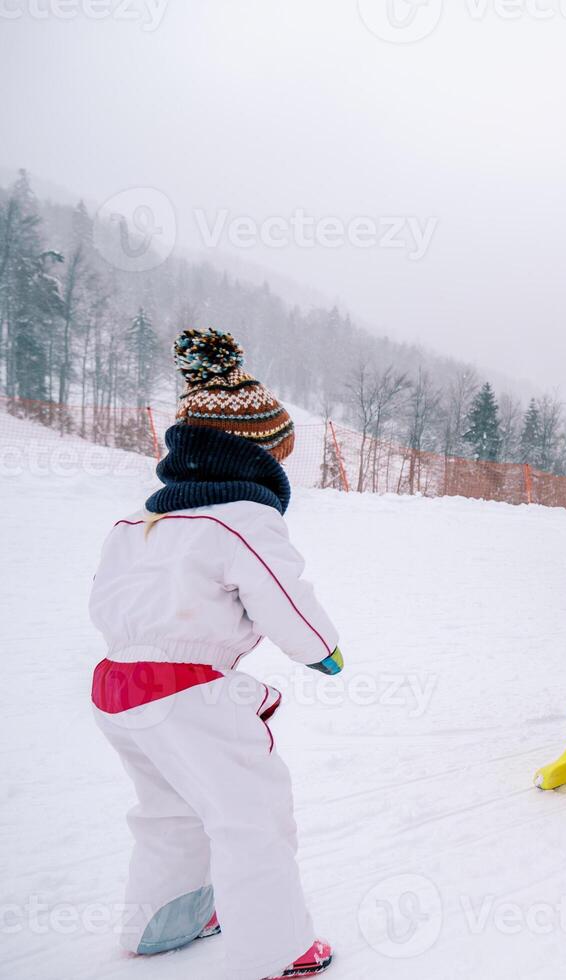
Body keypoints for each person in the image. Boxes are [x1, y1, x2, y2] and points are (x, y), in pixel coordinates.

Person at [89, 330, 337, 980]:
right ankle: (280, 949)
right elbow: (284, 594)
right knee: (249, 813)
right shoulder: (244, 521)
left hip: (116, 688)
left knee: (169, 810)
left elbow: (106, 601)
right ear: (255, 459)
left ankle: (164, 923)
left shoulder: (137, 525)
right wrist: (321, 650)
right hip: (185, 692)